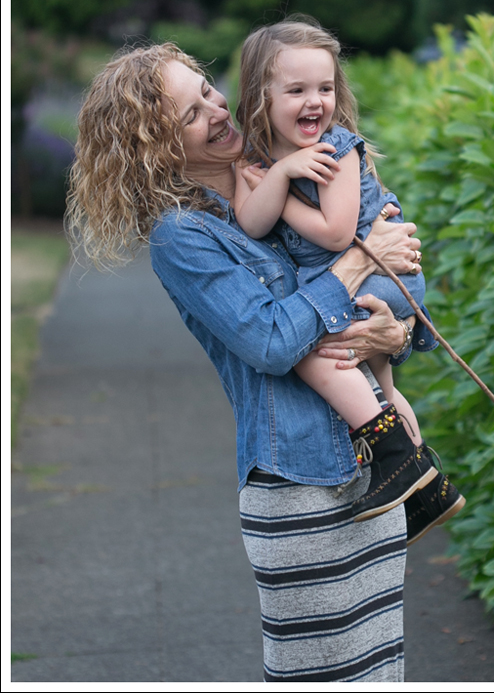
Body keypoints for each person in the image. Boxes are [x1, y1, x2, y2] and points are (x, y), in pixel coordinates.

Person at [64, 42, 443, 681]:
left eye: (207, 91)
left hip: (377, 469)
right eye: (190, 115)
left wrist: (396, 336)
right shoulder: (184, 236)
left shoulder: (279, 172)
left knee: (380, 670)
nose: (217, 110)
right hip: (300, 485)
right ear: (158, 149)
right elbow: (271, 341)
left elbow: (361, 318)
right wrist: (360, 259)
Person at [232, 17, 464, 527]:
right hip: (344, 279)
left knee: (312, 352)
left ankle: (396, 463)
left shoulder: (335, 150)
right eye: (296, 90)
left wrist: (280, 185)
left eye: (325, 88)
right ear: (260, 96)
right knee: (383, 391)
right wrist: (278, 173)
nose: (315, 101)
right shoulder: (258, 158)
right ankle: (426, 491)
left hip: (381, 276)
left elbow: (337, 233)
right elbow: (250, 222)